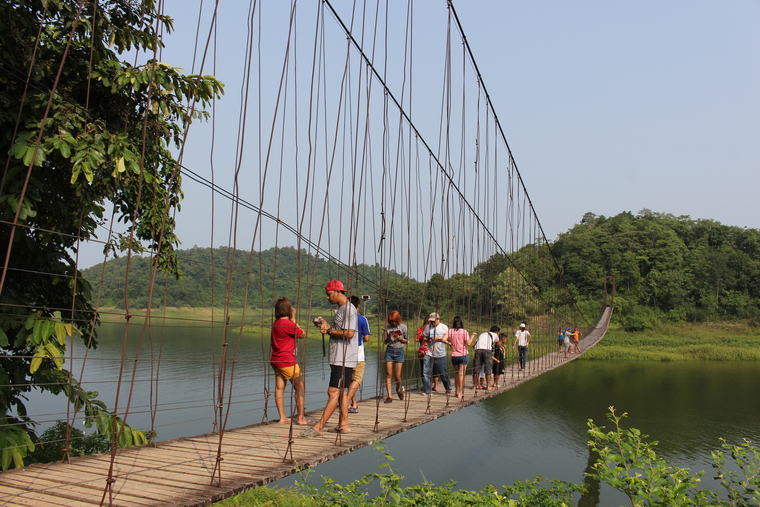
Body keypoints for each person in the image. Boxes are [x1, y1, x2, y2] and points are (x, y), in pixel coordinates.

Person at [301, 280, 358, 437]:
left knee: (333, 392)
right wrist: (327, 326)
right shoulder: (341, 309)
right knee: (342, 393)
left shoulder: (349, 310)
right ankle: (344, 425)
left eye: (328, 294)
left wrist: (328, 331)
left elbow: (349, 333)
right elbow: (338, 330)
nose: (327, 297)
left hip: (343, 359)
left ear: (338, 292)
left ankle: (319, 427)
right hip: (338, 358)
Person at [270, 297, 312, 425]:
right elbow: (302, 334)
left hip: (276, 360)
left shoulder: (276, 323)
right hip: (287, 360)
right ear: (288, 309)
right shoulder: (287, 324)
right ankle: (300, 418)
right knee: (300, 387)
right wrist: (293, 318)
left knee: (279, 387)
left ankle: (282, 417)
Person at [348, 295, 370, 414]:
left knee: (349, 380)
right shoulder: (362, 319)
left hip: (344, 353)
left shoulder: (343, 318)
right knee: (357, 379)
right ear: (358, 307)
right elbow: (366, 338)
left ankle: (354, 403)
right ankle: (346, 401)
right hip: (358, 354)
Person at [422, 313, 451, 395]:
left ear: (438, 319)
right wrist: (428, 339)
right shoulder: (428, 327)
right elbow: (424, 337)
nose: (432, 323)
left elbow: (447, 338)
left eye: (433, 321)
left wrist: (438, 338)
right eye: (431, 321)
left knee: (443, 372)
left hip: (440, 353)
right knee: (426, 372)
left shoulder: (444, 327)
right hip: (429, 352)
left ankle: (448, 388)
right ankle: (427, 390)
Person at [382, 311, 408, 403]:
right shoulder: (387, 328)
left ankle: (398, 389)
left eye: (394, 321)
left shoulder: (403, 327)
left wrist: (399, 338)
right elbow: (385, 342)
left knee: (397, 376)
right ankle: (389, 396)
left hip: (399, 350)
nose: (393, 323)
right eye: (391, 321)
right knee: (388, 374)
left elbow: (407, 341)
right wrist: (389, 336)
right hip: (390, 350)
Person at [447, 316, 475, 399]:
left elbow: (444, 339)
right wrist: (473, 335)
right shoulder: (464, 331)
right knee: (461, 374)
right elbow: (469, 343)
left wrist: (450, 344)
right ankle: (460, 392)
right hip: (463, 355)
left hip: (454, 355)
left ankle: (456, 391)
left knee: (456, 373)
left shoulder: (450, 331)